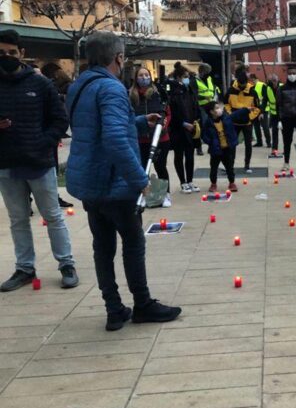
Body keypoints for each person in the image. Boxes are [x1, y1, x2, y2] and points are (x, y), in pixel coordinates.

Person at [66, 31, 180, 330]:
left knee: (102, 247)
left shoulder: (79, 86)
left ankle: (114, 309)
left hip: (90, 182)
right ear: (118, 57)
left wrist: (140, 121)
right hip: (114, 183)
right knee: (132, 243)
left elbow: (96, 127)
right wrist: (139, 178)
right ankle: (142, 304)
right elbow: (115, 139)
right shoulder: (112, 88)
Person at [0, 30, 79, 292]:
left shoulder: (41, 84)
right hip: (6, 163)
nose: (7, 57)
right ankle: (24, 268)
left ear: (21, 54)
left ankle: (66, 264)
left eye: (11, 52)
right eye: (1, 53)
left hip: (39, 162)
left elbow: (60, 120)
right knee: (18, 219)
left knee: (53, 216)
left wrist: (42, 142)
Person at [129, 67, 172, 207]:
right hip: (141, 138)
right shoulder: (130, 95)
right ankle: (143, 195)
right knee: (142, 170)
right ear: (136, 78)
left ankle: (165, 195)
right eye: (141, 75)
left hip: (160, 137)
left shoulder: (158, 93)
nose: (144, 77)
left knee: (160, 167)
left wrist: (164, 124)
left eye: (146, 75)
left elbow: (167, 112)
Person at [202, 102, 259, 192]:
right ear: (211, 112)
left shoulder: (226, 118)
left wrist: (246, 109)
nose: (219, 109)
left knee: (229, 167)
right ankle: (213, 184)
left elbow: (236, 114)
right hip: (215, 149)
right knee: (213, 168)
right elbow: (204, 135)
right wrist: (211, 142)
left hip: (227, 148)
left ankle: (231, 183)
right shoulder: (208, 123)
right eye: (216, 108)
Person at [40, 62, 74, 208]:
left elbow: (59, 116)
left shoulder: (54, 88)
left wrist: (52, 136)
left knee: (51, 170)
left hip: (48, 137)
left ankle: (54, 198)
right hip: (37, 137)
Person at [166, 62, 200, 193]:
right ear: (179, 77)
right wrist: (183, 123)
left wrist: (196, 120)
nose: (188, 79)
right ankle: (183, 182)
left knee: (190, 155)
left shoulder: (189, 90)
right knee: (179, 155)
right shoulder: (174, 92)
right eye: (186, 76)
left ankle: (190, 180)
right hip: (178, 129)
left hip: (191, 127)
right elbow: (172, 112)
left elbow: (194, 106)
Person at [225, 66, 258, 174]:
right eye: (240, 84)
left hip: (247, 122)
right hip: (234, 122)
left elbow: (257, 108)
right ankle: (230, 165)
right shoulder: (231, 90)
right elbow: (226, 104)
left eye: (244, 85)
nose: (242, 86)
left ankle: (247, 165)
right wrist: (231, 115)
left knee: (248, 144)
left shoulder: (252, 91)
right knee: (232, 144)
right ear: (237, 82)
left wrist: (250, 117)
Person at [251, 74, 271, 148]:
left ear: (256, 79)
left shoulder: (262, 85)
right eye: (251, 80)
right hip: (255, 110)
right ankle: (259, 142)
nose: (252, 81)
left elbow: (266, 98)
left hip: (263, 110)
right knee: (256, 127)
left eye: (253, 79)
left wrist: (262, 111)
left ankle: (268, 142)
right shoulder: (253, 87)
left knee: (265, 127)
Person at [264, 74, 281, 154]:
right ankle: (274, 149)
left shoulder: (282, 87)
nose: (274, 82)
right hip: (274, 114)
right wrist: (261, 111)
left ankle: (286, 149)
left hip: (283, 115)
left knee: (286, 133)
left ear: (278, 80)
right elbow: (264, 101)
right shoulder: (268, 88)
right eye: (273, 81)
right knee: (274, 132)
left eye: (275, 80)